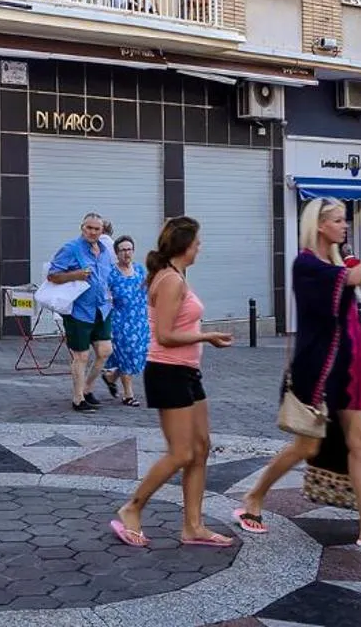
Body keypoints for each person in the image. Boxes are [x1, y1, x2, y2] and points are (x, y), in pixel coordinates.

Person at [235, 199, 361, 554]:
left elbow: (351, 278)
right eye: (337, 220)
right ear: (319, 225)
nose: (344, 225)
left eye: (345, 220)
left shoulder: (335, 261)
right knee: (307, 446)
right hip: (317, 370)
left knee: (360, 441)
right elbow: (354, 277)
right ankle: (253, 496)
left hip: (350, 368)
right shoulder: (307, 264)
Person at [109, 217, 236, 549]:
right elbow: (164, 336)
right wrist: (206, 335)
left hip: (187, 372)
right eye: (197, 241)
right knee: (181, 452)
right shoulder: (170, 281)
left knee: (201, 448)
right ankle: (131, 508)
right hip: (167, 371)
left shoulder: (177, 275)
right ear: (184, 245)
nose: (200, 246)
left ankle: (193, 526)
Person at [46, 213, 115, 412]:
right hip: (79, 311)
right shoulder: (71, 249)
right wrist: (75, 275)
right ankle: (78, 399)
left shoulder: (104, 251)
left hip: (102, 309)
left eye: (97, 229)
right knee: (81, 356)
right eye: (89, 228)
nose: (93, 232)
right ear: (82, 228)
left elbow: (108, 277)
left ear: (102, 231)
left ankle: (87, 388)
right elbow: (53, 275)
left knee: (105, 351)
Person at [103, 235, 149, 407]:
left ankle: (110, 377)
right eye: (122, 250)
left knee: (137, 355)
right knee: (126, 355)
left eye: (129, 249)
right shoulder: (111, 273)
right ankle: (128, 394)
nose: (126, 253)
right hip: (120, 321)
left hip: (140, 320)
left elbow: (148, 291)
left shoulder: (139, 270)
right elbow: (105, 297)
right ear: (116, 253)